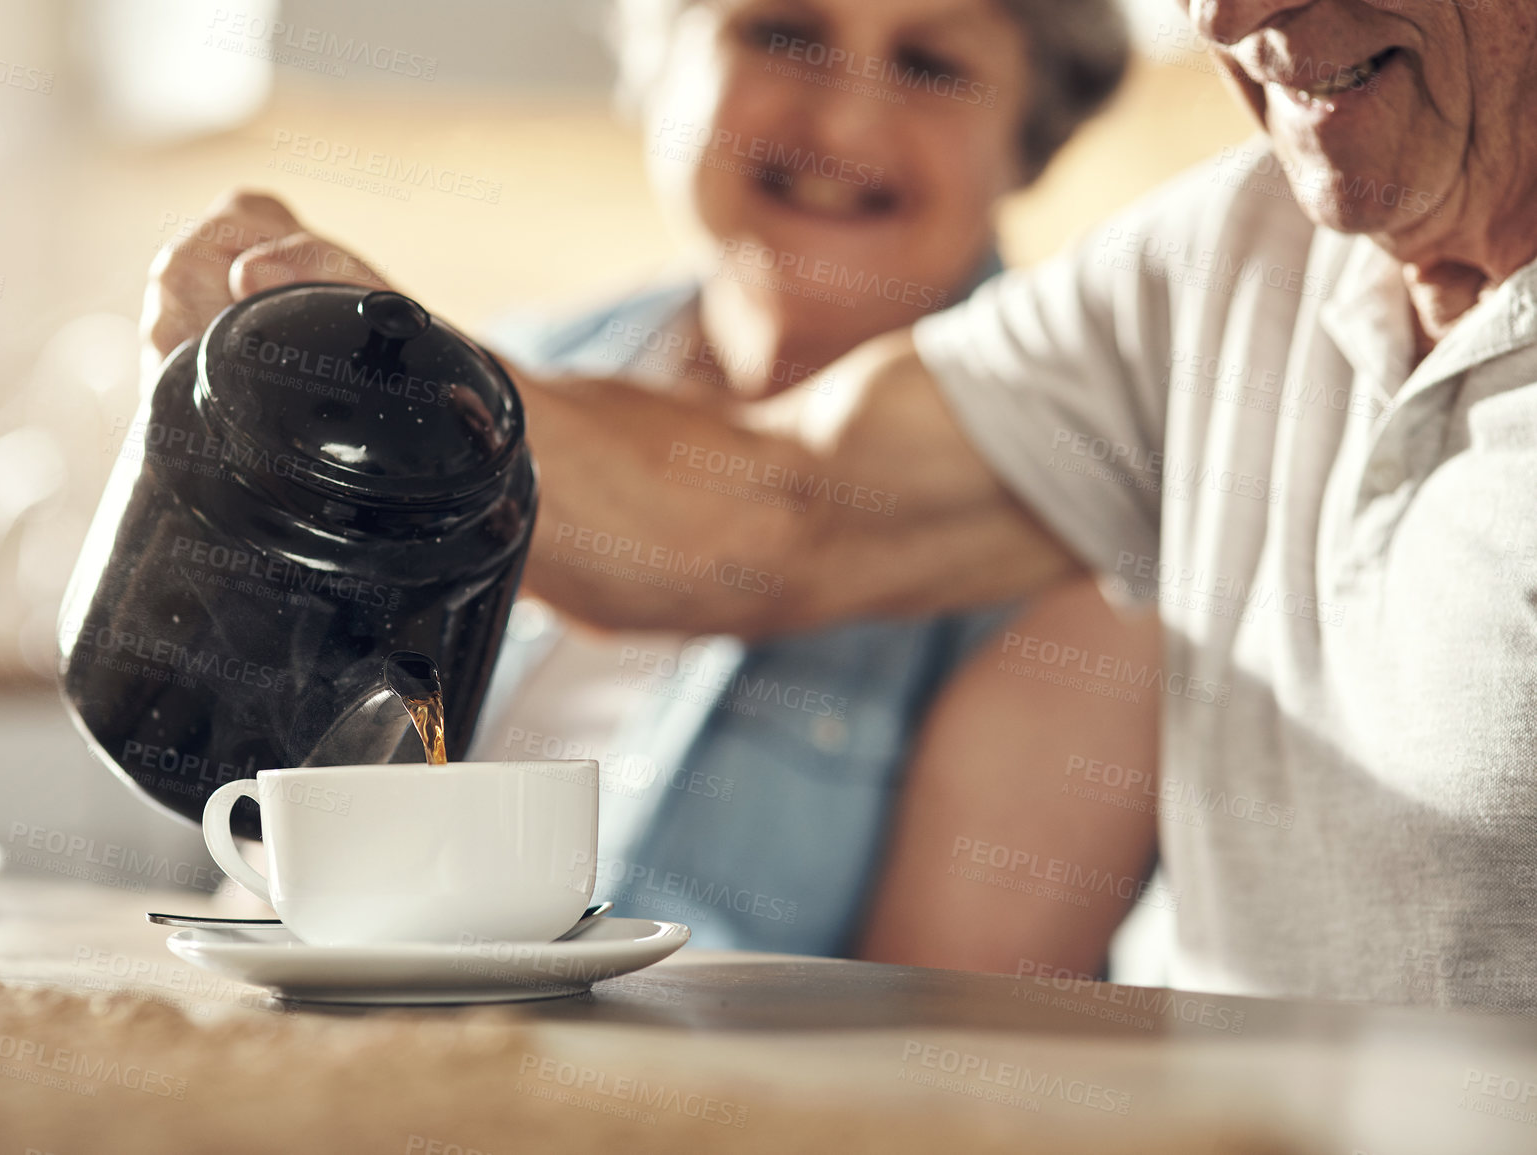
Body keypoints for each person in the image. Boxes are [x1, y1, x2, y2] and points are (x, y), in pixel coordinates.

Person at [151, 0, 1537, 1009]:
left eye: (931, 62)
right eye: (780, 33)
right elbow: (776, 512)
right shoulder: (1221, 250)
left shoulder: (1085, 586)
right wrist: (357, 361)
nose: (1224, 15)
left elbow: (940, 1030)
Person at [144, 0, 1162, 972]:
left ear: (1032, 134)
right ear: (662, 57)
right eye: (783, 33)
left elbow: (953, 1052)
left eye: (932, 64)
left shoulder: (1081, 502)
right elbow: (286, 870)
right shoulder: (524, 369)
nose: (845, 118)